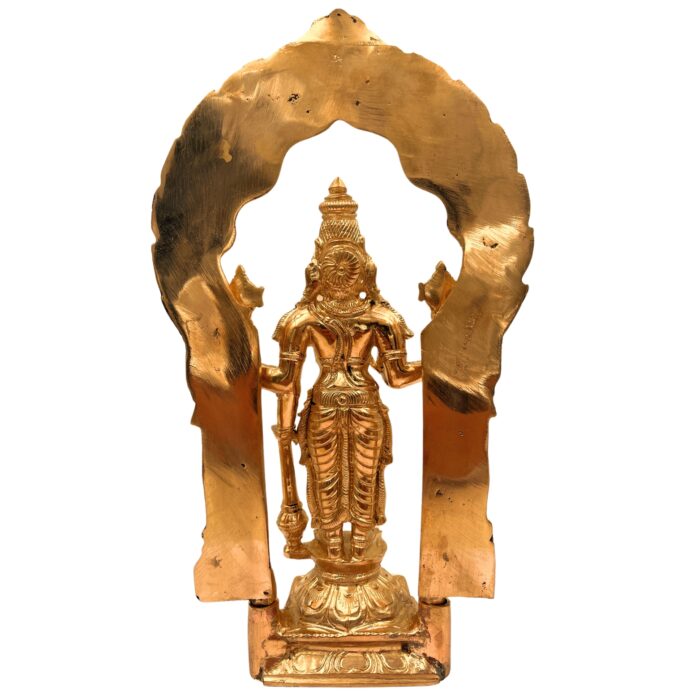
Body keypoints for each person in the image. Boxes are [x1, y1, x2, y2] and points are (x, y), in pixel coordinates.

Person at [261, 178, 421, 561]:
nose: (342, 273)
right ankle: (337, 544)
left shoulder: (309, 318)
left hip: (334, 406)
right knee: (335, 478)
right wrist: (440, 364)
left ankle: (348, 543)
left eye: (347, 264)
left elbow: (285, 383)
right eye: (338, 264)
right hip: (352, 406)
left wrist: (280, 420)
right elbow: (398, 376)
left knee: (349, 478)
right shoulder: (375, 318)